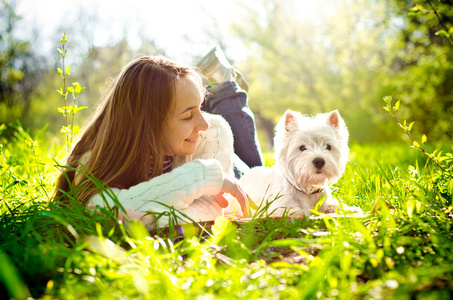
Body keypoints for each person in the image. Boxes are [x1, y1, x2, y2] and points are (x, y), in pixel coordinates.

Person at [54, 46, 263, 230]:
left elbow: (215, 210)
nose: (203, 123)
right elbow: (98, 208)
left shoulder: (212, 131)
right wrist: (199, 177)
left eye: (199, 108)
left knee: (256, 174)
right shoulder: (97, 158)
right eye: (188, 115)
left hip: (230, 170)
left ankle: (226, 84)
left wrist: (139, 219)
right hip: (195, 156)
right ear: (147, 126)